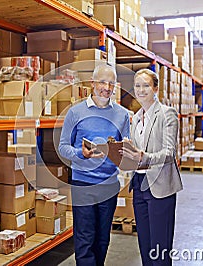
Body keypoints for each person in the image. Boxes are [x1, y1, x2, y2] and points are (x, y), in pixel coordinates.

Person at [58, 64, 130, 266]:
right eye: (102, 82)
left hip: (108, 184)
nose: (106, 87)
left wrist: (126, 153)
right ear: (92, 84)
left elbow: (126, 148)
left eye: (111, 83)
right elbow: (63, 147)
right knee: (84, 237)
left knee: (102, 238)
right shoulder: (75, 112)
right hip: (83, 184)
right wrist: (80, 154)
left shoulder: (122, 114)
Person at [121, 68, 183, 266]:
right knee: (145, 245)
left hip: (160, 185)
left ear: (155, 88)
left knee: (160, 247)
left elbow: (169, 152)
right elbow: (136, 153)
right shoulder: (136, 117)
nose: (141, 90)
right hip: (139, 184)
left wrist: (143, 157)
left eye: (146, 85)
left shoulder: (167, 114)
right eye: (137, 86)